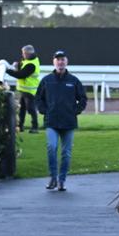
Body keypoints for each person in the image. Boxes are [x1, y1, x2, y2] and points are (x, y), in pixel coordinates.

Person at [35, 50, 86, 191]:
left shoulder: (74, 81)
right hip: (52, 121)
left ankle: (62, 180)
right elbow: (38, 98)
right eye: (58, 59)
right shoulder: (46, 80)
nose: (60, 62)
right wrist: (45, 110)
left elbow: (83, 99)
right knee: (51, 147)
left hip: (68, 122)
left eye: (62, 59)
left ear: (66, 62)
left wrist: (75, 111)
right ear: (54, 62)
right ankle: (53, 178)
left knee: (66, 152)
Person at [2, 44, 41, 133]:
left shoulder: (31, 64)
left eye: (23, 53)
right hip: (24, 89)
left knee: (30, 109)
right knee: (22, 109)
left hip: (30, 90)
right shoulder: (29, 60)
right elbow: (21, 66)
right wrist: (17, 65)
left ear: (27, 53)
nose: (22, 55)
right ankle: (20, 126)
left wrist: (8, 71)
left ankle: (35, 127)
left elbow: (21, 75)